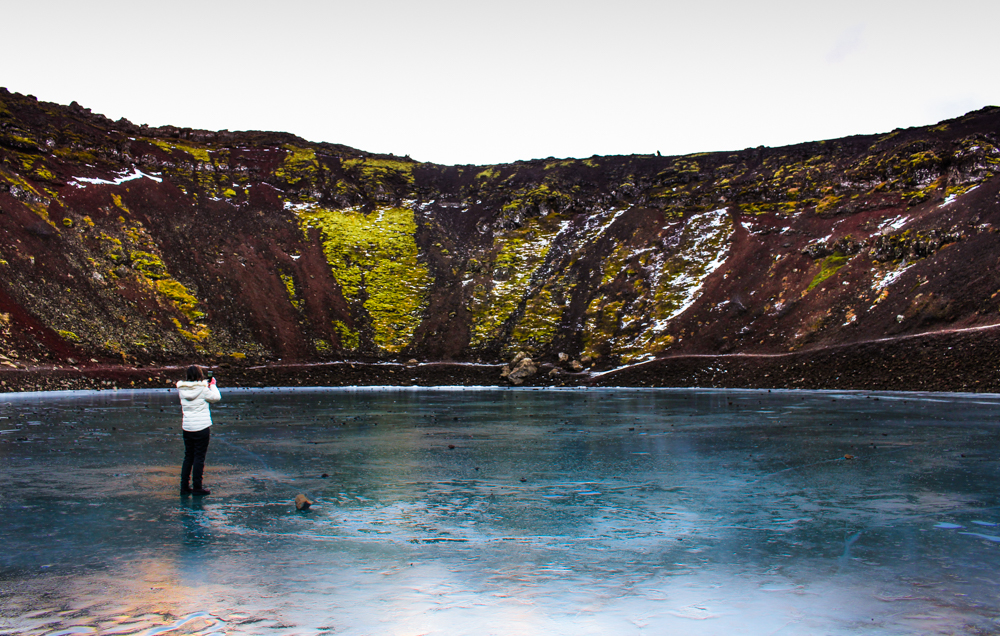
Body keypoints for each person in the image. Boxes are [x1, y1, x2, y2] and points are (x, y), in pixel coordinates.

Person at [177, 365, 221, 496]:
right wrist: (212, 385)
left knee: (188, 457)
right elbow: (216, 398)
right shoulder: (203, 390)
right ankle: (197, 486)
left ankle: (184, 486)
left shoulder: (182, 390)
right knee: (199, 458)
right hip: (201, 428)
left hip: (187, 427)